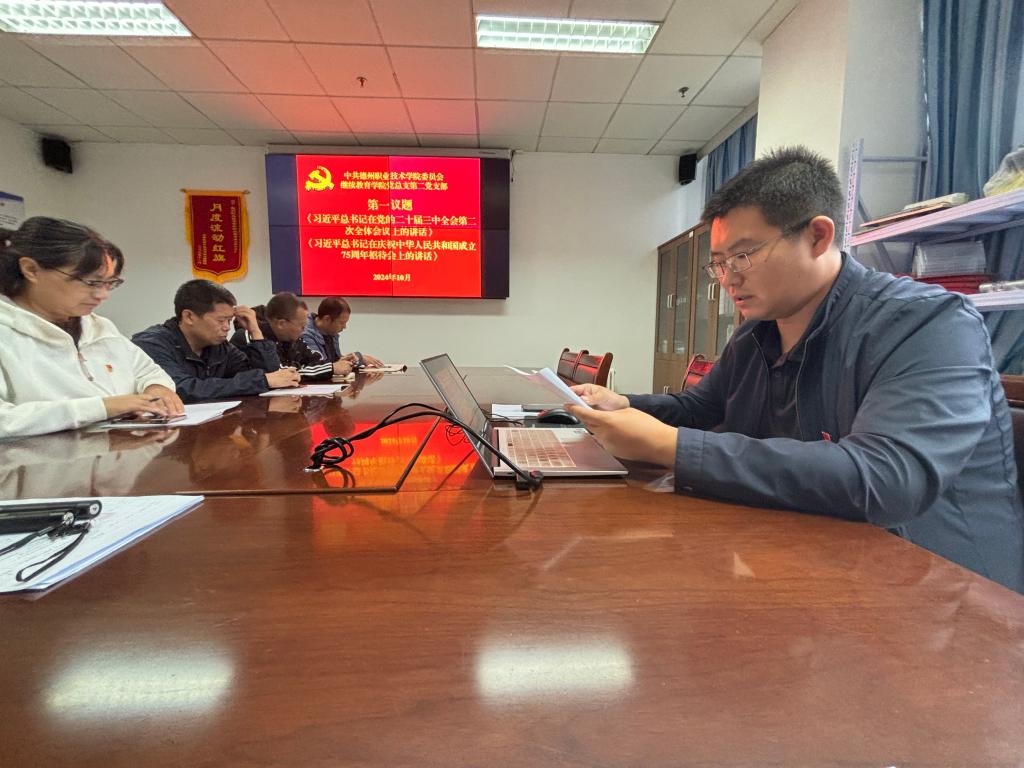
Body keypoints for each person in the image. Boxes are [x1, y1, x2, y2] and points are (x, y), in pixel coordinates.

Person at [569, 146, 1024, 593]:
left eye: (743, 256)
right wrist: (623, 405)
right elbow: (700, 409)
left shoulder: (928, 323)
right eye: (719, 264)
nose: (728, 279)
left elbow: (886, 480)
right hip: (816, 561)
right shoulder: (757, 332)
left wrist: (669, 446)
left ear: (817, 236)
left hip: (944, 592)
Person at [0, 216, 182, 439]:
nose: (102, 295)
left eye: (110, 283)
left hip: (118, 453)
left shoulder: (98, 327)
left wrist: (156, 388)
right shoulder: (6, 333)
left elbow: (146, 371)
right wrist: (102, 407)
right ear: (31, 270)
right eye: (92, 283)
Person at [132, 279, 299, 403]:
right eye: (221, 320)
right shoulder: (152, 343)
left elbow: (269, 376)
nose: (227, 327)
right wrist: (262, 380)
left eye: (229, 320)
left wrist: (255, 331)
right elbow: (182, 389)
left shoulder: (219, 347)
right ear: (189, 316)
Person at [229, 292, 351, 380]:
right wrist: (330, 368)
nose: (304, 331)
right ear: (281, 324)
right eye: (301, 326)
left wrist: (330, 366)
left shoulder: (291, 338)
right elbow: (279, 374)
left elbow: (316, 361)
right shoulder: (253, 336)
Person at [300, 296, 383, 372]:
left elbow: (336, 362)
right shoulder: (305, 334)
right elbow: (320, 366)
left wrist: (357, 359)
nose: (344, 327)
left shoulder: (331, 332)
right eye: (342, 323)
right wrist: (357, 359)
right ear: (327, 319)